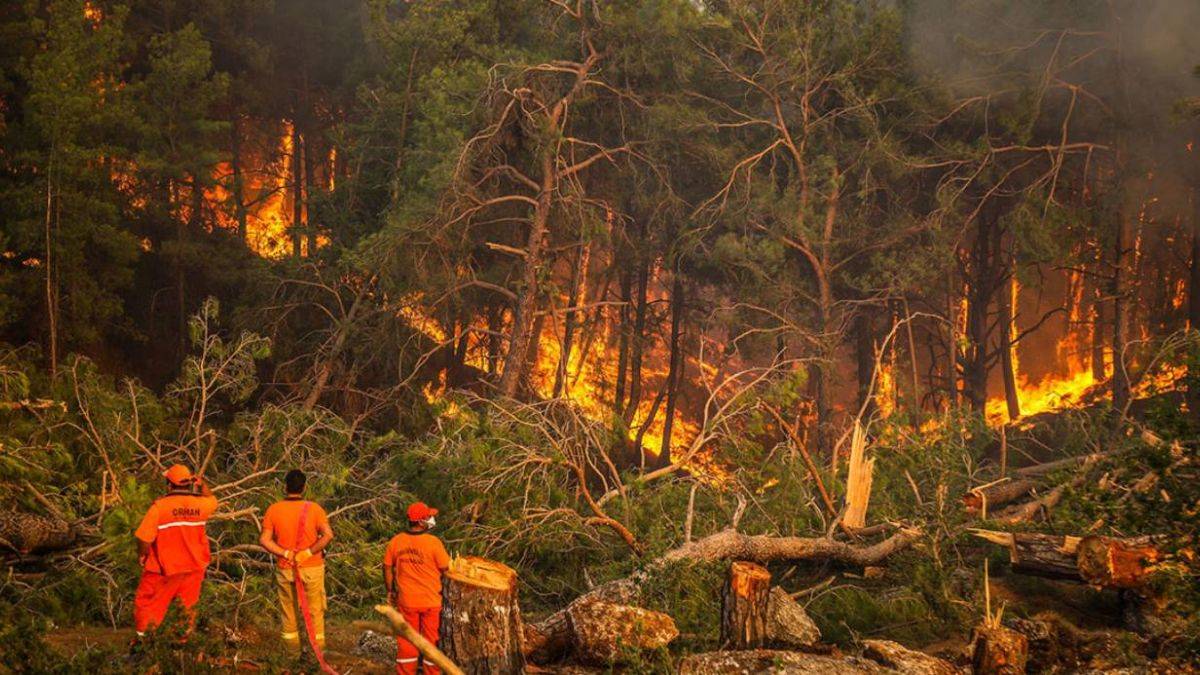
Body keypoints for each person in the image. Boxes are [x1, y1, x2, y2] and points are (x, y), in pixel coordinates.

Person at [132, 464, 219, 638]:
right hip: (193, 568)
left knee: (147, 604)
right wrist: (201, 485)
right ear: (189, 484)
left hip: (164, 570)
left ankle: (143, 646)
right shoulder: (201, 505)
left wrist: (143, 554)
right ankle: (182, 647)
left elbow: (143, 538)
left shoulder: (160, 508)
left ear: (169, 485)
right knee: (186, 609)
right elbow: (213, 499)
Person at [259, 469, 334, 652]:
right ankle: (317, 655)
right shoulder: (315, 509)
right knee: (315, 612)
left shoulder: (274, 510)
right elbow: (327, 536)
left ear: (285, 487)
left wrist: (285, 554)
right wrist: (307, 552)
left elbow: (264, 540)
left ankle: (291, 655)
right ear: (304, 487)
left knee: (289, 612)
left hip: (286, 568)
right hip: (312, 568)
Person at [383, 502, 451, 675]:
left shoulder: (396, 541)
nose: (431, 519)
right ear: (421, 522)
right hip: (431, 601)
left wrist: (390, 591)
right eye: (429, 516)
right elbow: (447, 568)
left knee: (407, 642)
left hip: (407, 601)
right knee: (431, 642)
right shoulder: (434, 543)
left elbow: (387, 567)